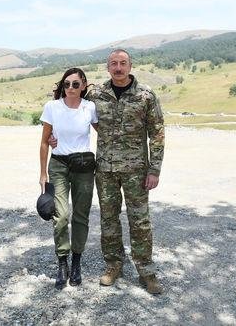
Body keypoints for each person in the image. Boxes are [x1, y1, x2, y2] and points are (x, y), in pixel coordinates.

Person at [50, 49, 165, 294]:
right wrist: (53, 135)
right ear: (108, 67)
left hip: (136, 170)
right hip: (105, 170)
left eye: (123, 63)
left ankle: (146, 271)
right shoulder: (96, 95)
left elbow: (157, 133)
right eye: (114, 63)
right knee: (108, 220)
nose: (118, 68)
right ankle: (113, 265)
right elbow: (71, 106)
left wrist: (154, 169)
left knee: (140, 221)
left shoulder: (146, 95)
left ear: (130, 66)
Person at [39, 67, 98, 289]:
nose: (70, 88)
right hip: (59, 165)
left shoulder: (89, 107)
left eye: (75, 84)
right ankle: (62, 261)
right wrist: (43, 173)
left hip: (83, 166)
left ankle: (76, 263)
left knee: (81, 216)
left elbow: (104, 133)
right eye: (66, 84)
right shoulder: (52, 107)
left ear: (83, 86)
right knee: (61, 215)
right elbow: (44, 141)